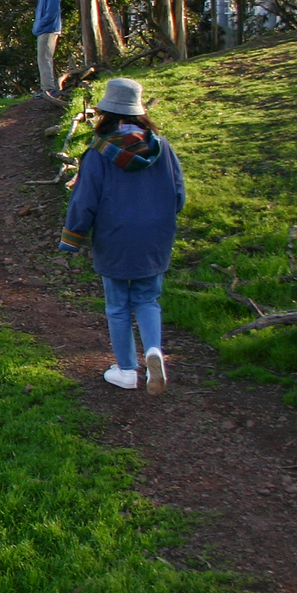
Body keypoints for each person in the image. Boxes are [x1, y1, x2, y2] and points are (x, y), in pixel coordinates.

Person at [58, 78, 185, 393]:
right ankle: (154, 350)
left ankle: (127, 370)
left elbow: (84, 201)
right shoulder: (162, 148)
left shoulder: (99, 153)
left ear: (106, 114)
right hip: (155, 235)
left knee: (117, 305)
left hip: (114, 237)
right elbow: (179, 194)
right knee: (148, 298)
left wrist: (71, 239)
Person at [32, 0, 62, 97]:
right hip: (43, 29)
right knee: (43, 58)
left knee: (44, 58)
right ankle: (47, 88)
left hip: (48, 29)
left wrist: (40, 25)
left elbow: (52, 12)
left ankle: (48, 89)